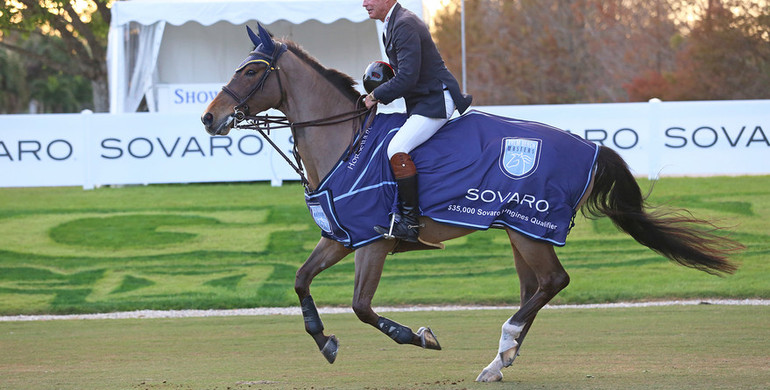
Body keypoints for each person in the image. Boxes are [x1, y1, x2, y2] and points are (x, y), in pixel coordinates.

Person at [363, 0, 472, 242]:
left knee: (396, 148)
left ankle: (410, 224)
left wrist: (374, 96)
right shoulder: (392, 24)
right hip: (423, 101)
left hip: (435, 101)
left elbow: (408, 78)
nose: (364, 3)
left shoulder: (404, 24)